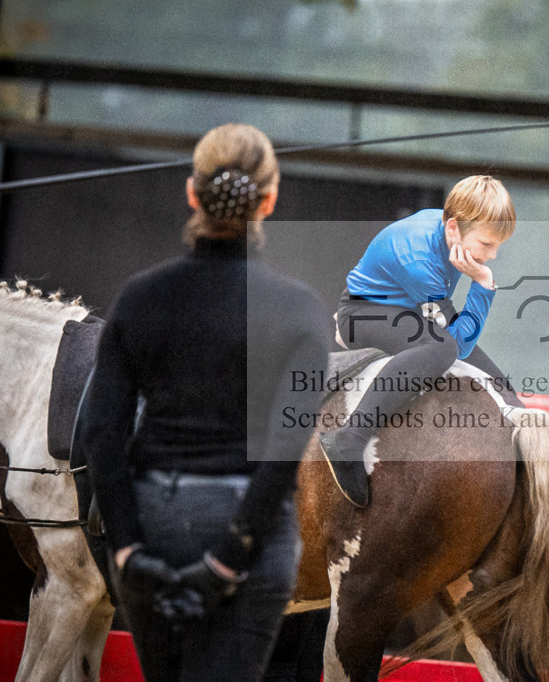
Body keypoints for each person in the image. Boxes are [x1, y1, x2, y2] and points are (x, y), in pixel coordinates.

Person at [76, 123, 332, 681]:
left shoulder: (139, 297)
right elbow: (285, 453)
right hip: (246, 530)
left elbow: (100, 435)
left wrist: (127, 553)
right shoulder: (300, 311)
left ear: (193, 193)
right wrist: (227, 560)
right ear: (270, 200)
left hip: (151, 523)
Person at [319, 175, 521, 507]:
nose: (494, 255)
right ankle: (349, 440)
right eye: (487, 244)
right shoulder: (421, 262)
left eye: (499, 245)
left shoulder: (447, 232)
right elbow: (458, 346)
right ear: (454, 228)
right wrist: (483, 284)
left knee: (500, 385)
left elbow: (451, 326)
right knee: (442, 348)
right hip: (363, 313)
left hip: (411, 310)